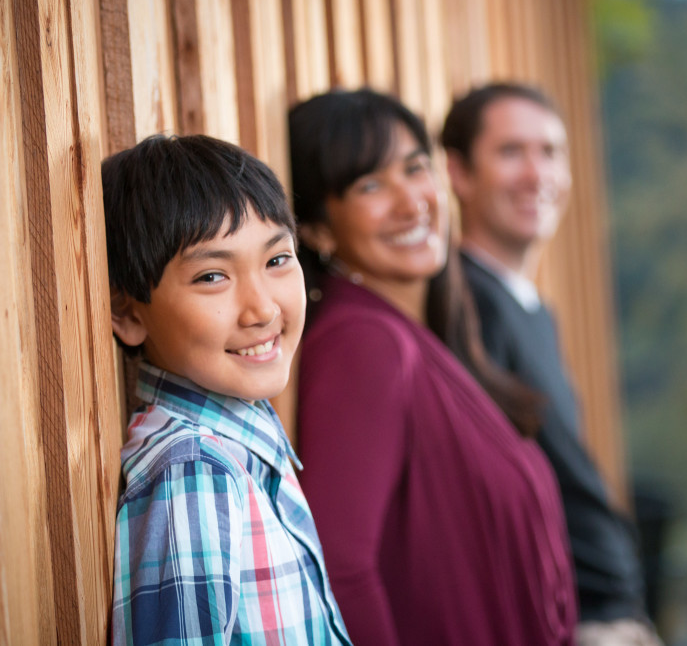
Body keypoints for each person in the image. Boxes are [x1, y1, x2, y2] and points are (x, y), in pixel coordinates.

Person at [289, 88, 577, 646]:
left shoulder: (420, 339)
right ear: (319, 230)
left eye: (415, 168)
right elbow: (341, 571)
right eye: (370, 184)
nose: (410, 201)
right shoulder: (362, 342)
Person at [103, 135, 351, 645]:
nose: (262, 309)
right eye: (213, 275)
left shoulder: (237, 450)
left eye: (278, 260)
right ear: (129, 313)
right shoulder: (193, 471)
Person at [443, 83, 661, 646]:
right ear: (459, 173)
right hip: (573, 623)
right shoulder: (468, 308)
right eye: (511, 152)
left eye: (551, 152)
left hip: (613, 610)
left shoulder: (529, 307)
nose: (537, 174)